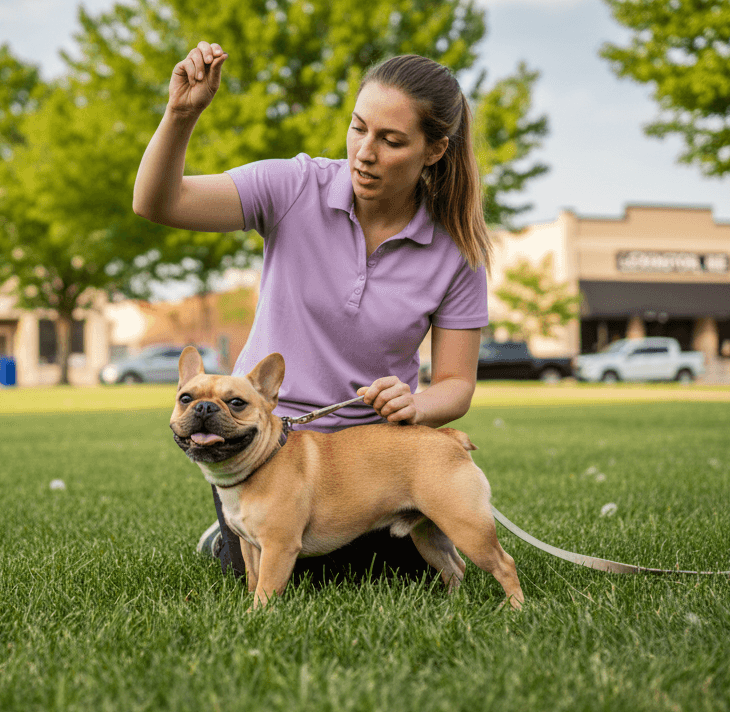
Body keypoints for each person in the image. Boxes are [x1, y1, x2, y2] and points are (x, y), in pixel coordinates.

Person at [133, 41, 492, 583]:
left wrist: (416, 405)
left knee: (391, 574)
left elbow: (456, 386)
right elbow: (159, 203)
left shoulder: (457, 252)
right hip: (267, 449)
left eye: (391, 140)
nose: (364, 152)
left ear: (434, 150)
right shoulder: (293, 186)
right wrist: (181, 114)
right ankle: (231, 531)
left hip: (372, 466)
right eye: (358, 127)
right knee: (285, 561)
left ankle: (258, 534)